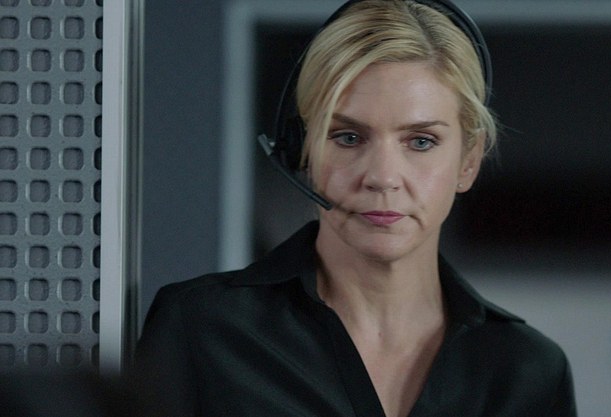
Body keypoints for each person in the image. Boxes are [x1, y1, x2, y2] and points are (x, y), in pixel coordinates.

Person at [132, 1, 577, 416]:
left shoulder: (527, 372)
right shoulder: (202, 329)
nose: (382, 177)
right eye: (348, 137)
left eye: (421, 142)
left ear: (468, 162)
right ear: (302, 151)